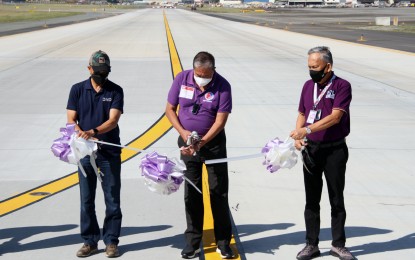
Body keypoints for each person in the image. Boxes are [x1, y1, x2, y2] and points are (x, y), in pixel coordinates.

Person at [165, 51, 235, 259]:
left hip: (213, 146)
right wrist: (183, 133)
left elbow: (220, 121)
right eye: (198, 74)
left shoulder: (223, 85)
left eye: (205, 74)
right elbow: (170, 109)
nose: (201, 78)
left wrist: (201, 143)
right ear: (193, 69)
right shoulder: (182, 79)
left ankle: (224, 242)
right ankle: (193, 241)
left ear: (213, 69)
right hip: (187, 145)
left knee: (218, 193)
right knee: (192, 194)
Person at [290, 46, 356, 260]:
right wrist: (299, 136)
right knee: (312, 199)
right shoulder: (308, 86)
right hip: (312, 150)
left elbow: (336, 117)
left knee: (336, 198)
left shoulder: (342, 86)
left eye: (315, 67)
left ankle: (338, 244)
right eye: (309, 66)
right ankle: (311, 243)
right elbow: (302, 112)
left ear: (328, 66)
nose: (312, 70)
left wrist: (307, 129)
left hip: (334, 150)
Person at [67, 50, 124, 258]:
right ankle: (90, 241)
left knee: (112, 198)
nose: (101, 74)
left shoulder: (116, 91)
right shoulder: (77, 90)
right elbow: (71, 118)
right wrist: (78, 131)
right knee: (86, 199)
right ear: (89, 69)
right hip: (85, 153)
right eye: (98, 71)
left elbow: (113, 120)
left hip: (108, 153)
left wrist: (94, 132)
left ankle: (111, 241)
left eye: (105, 71)